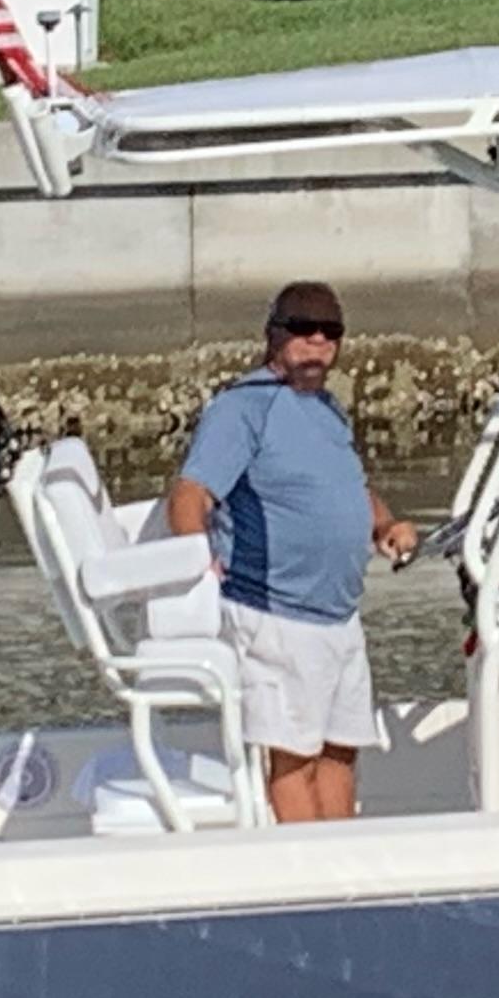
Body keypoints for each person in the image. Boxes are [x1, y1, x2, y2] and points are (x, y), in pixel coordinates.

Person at [168, 281, 415, 822]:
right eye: (302, 330)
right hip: (275, 613)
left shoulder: (327, 410)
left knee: (340, 751)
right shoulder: (241, 408)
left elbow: (349, 487)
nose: (317, 342)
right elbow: (191, 496)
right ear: (274, 335)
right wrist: (199, 565)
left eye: (330, 333)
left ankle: (343, 873)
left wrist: (385, 524)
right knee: (294, 760)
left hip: (339, 616)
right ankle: (307, 876)